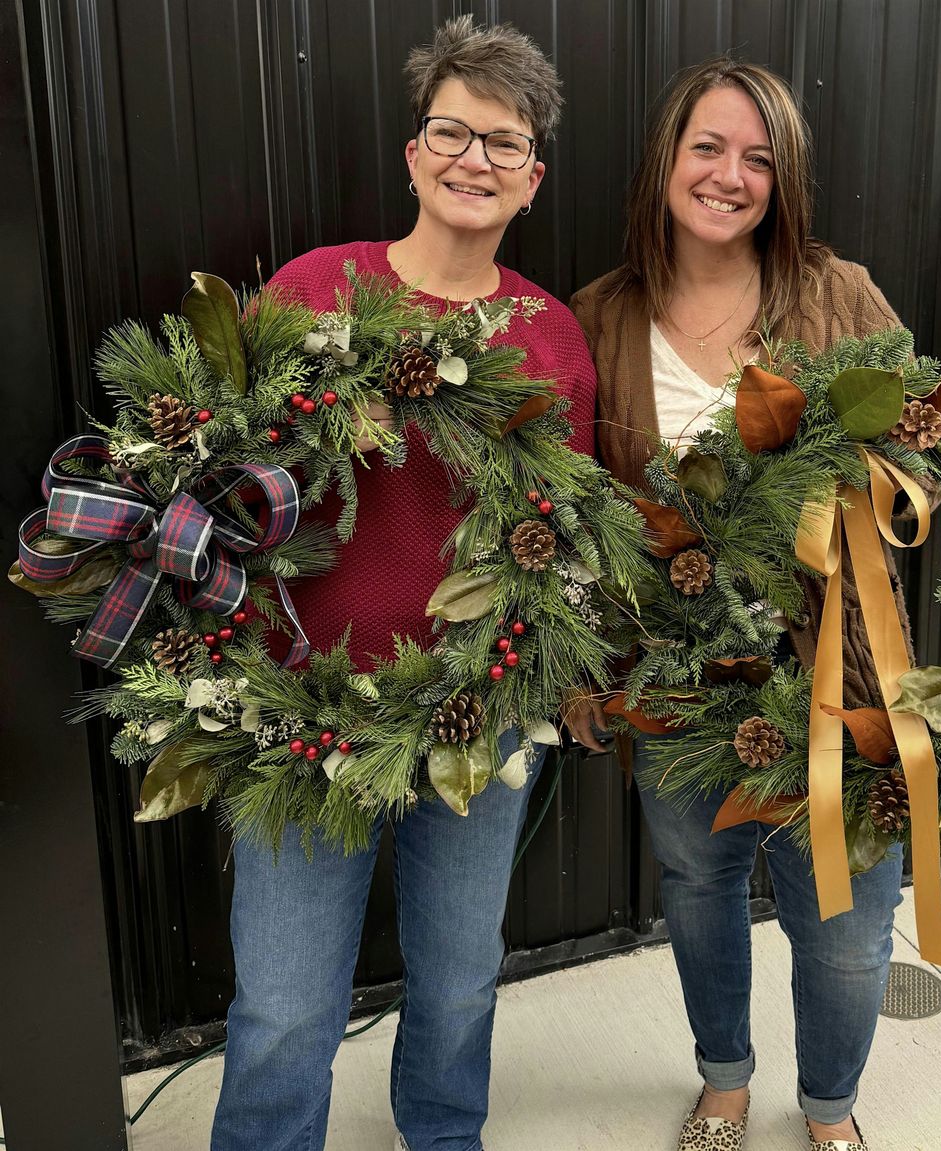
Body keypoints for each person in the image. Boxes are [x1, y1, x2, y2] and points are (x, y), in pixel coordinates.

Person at [210, 17, 596, 1151]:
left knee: (463, 973)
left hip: (481, 716)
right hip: (305, 717)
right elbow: (222, 479)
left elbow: (569, 531)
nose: (475, 158)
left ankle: (443, 1134)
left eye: (504, 142)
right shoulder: (313, 290)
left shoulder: (548, 336)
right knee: (283, 1000)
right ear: (414, 153)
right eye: (453, 130)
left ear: (533, 179)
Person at [568, 58, 916, 1151]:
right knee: (699, 881)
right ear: (665, 160)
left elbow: (924, 455)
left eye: (759, 159)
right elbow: (573, 516)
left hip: (837, 673)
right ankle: (724, 1078)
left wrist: (848, 491)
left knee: (849, 928)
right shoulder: (600, 318)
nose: (731, 176)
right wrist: (586, 667)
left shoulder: (837, 292)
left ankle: (829, 1109)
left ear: (785, 179)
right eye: (708, 148)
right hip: (676, 683)